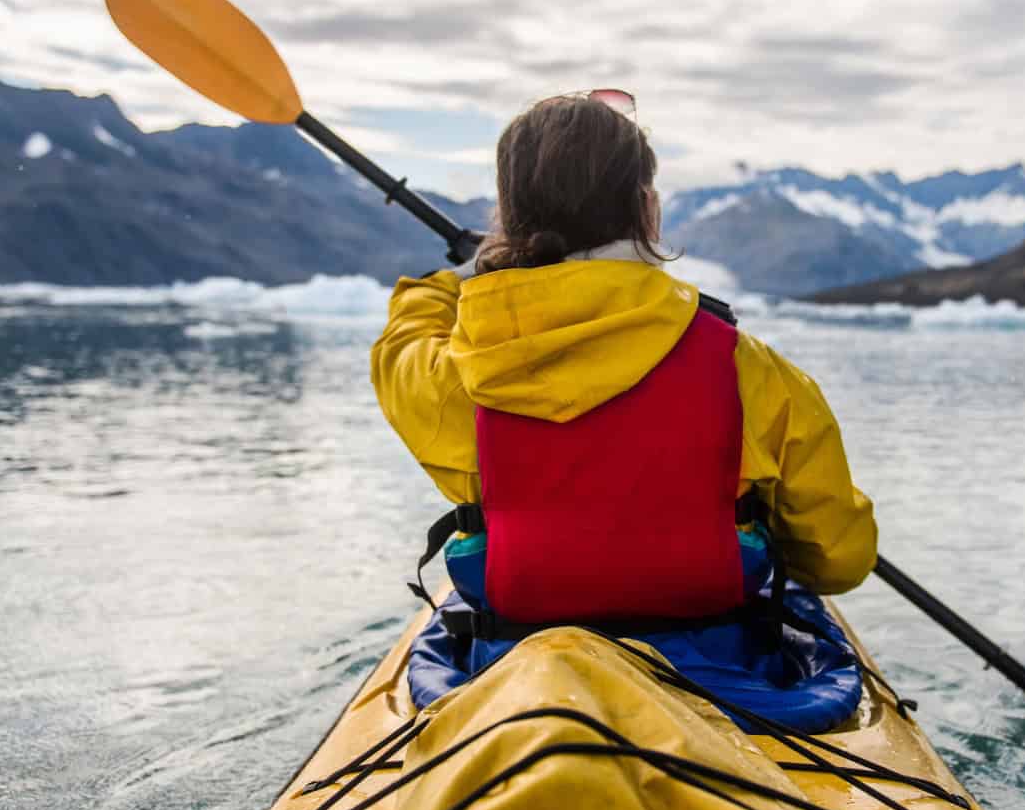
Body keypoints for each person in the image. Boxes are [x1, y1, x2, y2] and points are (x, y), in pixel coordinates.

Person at [370, 91, 876, 717]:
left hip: (514, 676)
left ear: (508, 217)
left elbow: (405, 339)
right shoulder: (753, 371)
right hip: (722, 670)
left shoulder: (452, 380)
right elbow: (840, 562)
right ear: (647, 210)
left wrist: (466, 274)